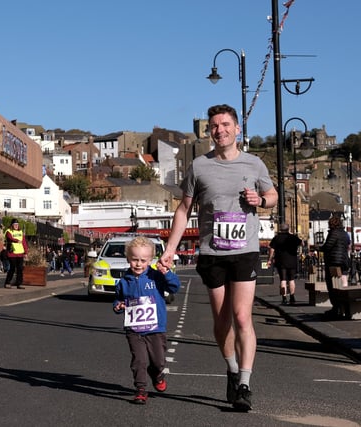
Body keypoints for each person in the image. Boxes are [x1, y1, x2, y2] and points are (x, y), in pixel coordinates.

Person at [158, 104, 278, 411]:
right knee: (222, 321)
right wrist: (170, 249)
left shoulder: (254, 164)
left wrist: (261, 200)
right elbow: (184, 210)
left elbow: (274, 196)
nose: (219, 130)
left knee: (242, 317)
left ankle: (245, 384)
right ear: (209, 131)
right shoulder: (199, 166)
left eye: (225, 124)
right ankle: (232, 368)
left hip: (245, 251)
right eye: (214, 126)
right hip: (212, 252)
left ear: (237, 129)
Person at [113, 236, 181, 405]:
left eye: (143, 260)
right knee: (139, 360)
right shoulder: (124, 282)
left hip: (155, 328)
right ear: (128, 259)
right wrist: (118, 306)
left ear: (151, 260)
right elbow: (118, 299)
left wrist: (166, 272)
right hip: (134, 329)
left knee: (158, 361)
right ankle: (140, 389)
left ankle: (157, 374)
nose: (138, 264)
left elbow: (174, 287)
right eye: (134, 259)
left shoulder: (156, 277)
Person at [321, 215, 351, 318]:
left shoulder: (333, 233)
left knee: (333, 285)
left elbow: (328, 246)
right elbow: (348, 243)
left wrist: (320, 248)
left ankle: (336, 308)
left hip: (334, 262)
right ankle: (344, 307)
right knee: (343, 283)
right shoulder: (344, 234)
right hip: (344, 261)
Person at [267, 223, 302, 305]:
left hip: (281, 261)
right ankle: (292, 297)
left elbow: (271, 249)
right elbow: (301, 243)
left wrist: (269, 259)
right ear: (288, 229)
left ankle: (284, 298)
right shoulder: (293, 237)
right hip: (292, 261)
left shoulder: (276, 238)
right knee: (292, 280)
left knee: (283, 280)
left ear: (280, 229)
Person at [4, 218, 28, 289]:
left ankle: (19, 283)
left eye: (17, 224)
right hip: (12, 253)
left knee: (20, 269)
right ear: (12, 225)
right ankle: (7, 282)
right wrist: (16, 240)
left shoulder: (20, 232)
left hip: (20, 253)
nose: (16, 226)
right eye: (15, 224)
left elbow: (24, 242)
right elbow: (9, 238)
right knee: (12, 268)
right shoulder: (9, 231)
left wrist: (26, 252)